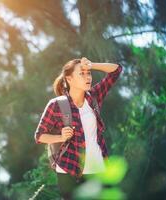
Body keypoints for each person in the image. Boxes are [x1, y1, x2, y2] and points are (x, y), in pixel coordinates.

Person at [34, 57, 123, 200]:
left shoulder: (94, 97)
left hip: (98, 168)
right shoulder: (57, 105)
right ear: (69, 79)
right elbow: (39, 136)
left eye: (89, 73)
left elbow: (117, 70)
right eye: (82, 73)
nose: (88, 77)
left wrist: (92, 65)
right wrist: (61, 137)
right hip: (69, 171)